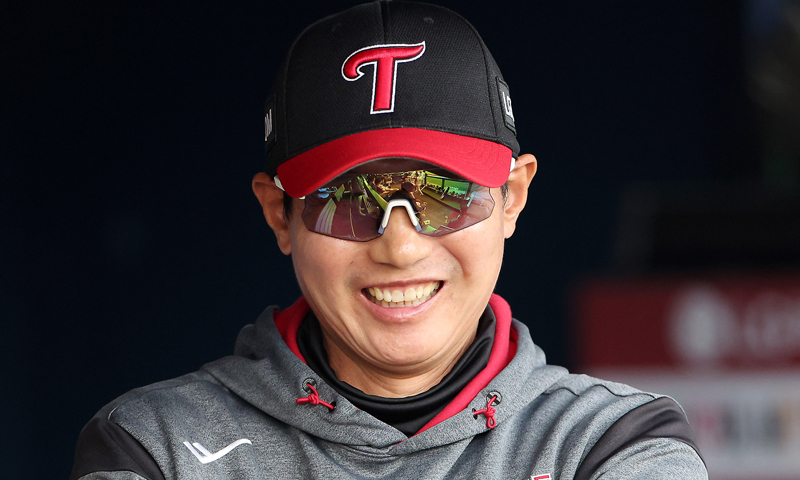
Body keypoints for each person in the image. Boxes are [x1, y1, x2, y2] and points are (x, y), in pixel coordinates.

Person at [70, 1, 707, 479]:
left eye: (442, 193)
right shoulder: (155, 448)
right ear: (278, 215)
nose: (399, 248)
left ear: (512, 197)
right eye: (347, 199)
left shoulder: (612, 442)